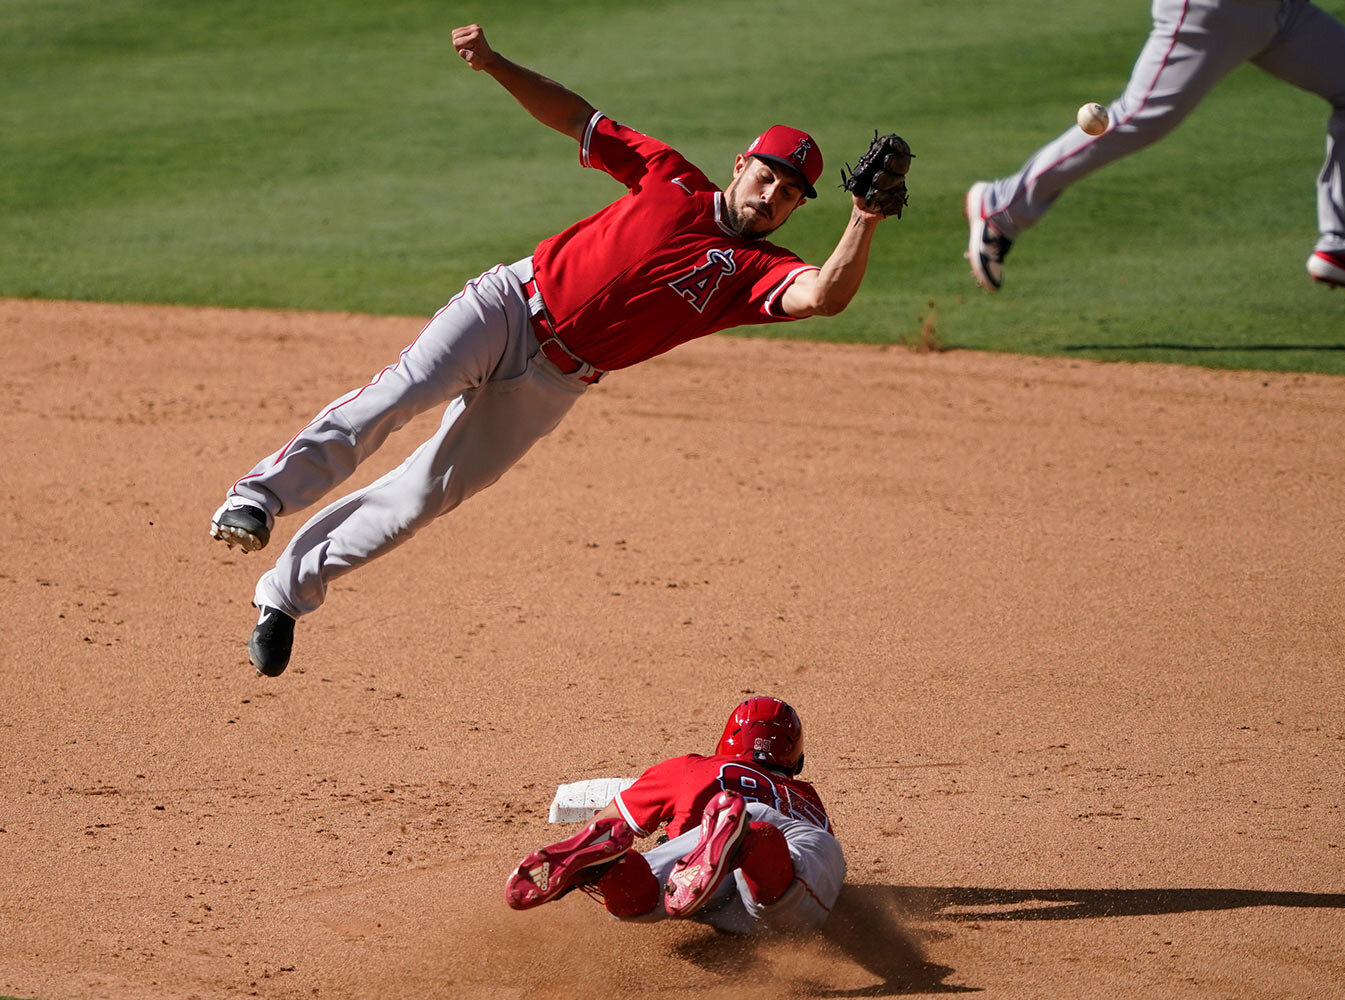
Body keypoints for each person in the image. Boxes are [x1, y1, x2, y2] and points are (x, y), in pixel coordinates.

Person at [210, 24, 892, 676]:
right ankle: (257, 499)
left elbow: (823, 296)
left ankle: (284, 595)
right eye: (767, 176)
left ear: (799, 208)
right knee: (400, 391)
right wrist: (498, 63)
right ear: (741, 165)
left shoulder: (757, 273)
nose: (771, 196)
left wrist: (862, 220)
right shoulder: (671, 177)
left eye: (789, 194)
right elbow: (578, 119)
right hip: (509, 304)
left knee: (422, 498)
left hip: (553, 385)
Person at [964, 0, 1345, 299]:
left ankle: (1342, 245)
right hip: (1212, 8)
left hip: (1280, 10)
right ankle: (1002, 204)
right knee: (1136, 119)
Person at [504, 696, 844, 934]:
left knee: (648, 897)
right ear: (793, 756)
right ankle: (747, 841)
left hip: (699, 840)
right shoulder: (806, 795)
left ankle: (609, 868)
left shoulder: (691, 768)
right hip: (780, 842)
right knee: (785, 906)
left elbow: (608, 822)